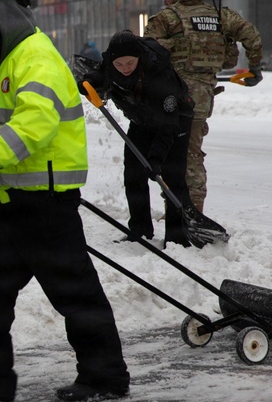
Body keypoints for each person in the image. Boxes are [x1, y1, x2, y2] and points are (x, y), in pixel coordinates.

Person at [0, 0, 130, 402]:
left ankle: (104, 375)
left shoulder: (36, 57)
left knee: (74, 293)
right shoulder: (13, 59)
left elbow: (35, 121)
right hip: (14, 203)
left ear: (4, 14)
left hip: (45, 205)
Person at [145, 0, 263, 212]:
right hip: (202, 98)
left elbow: (146, 52)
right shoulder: (219, 15)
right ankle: (191, 209)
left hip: (171, 98)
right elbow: (251, 34)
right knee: (192, 154)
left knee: (172, 154)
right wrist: (255, 67)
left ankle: (184, 212)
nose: (164, 2)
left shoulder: (167, 18)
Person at [81, 30, 195, 247]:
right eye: (119, 64)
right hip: (142, 119)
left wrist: (156, 158)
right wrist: (89, 81)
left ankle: (177, 237)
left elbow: (168, 125)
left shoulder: (160, 76)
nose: (125, 69)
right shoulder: (111, 65)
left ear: (139, 58)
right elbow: (101, 73)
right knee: (134, 173)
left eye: (130, 63)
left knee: (172, 176)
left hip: (175, 121)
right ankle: (140, 230)